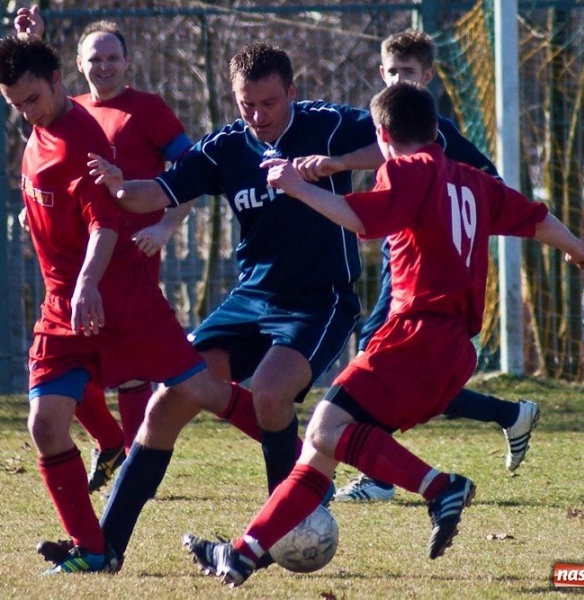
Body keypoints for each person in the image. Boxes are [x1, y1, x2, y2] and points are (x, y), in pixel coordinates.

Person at [182, 81, 584, 586]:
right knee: (320, 450)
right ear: (433, 131)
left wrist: (297, 186)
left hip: (414, 335)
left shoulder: (407, 169)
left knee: (323, 429)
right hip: (454, 350)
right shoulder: (471, 180)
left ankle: (439, 487)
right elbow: (537, 219)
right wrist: (579, 249)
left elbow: (361, 219)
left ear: (382, 135)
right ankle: (242, 554)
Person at [85, 41, 381, 567]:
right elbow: (158, 192)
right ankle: (105, 548)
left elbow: (399, 145)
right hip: (251, 299)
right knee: (166, 402)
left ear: (291, 92)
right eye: (247, 104)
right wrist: (118, 186)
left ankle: (275, 532)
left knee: (269, 393)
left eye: (269, 103)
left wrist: (337, 163)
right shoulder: (225, 147)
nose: (258, 116)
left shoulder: (328, 123)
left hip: (319, 301)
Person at [0, 34, 256, 576]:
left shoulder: (84, 141)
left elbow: (105, 223)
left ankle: (305, 456)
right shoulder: (46, 117)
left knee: (203, 391)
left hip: (124, 301)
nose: (26, 112)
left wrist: (93, 279)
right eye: (16, 103)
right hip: (64, 307)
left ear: (58, 83)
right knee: (45, 424)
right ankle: (92, 550)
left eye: (32, 99)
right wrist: (28, 36)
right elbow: (35, 85)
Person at [334, 29, 540, 502]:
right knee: (412, 375)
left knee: (380, 358)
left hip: (428, 266)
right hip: (401, 256)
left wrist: (333, 164)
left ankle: (379, 478)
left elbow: (482, 182)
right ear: (380, 73)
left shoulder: (430, 128)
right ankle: (509, 415)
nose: (399, 80)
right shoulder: (388, 117)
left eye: (408, 72)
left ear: (428, 76)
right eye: (392, 72)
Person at [14, 6, 195, 495]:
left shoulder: (148, 110)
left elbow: (193, 172)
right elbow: (46, 160)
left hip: (130, 255)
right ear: (77, 65)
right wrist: (35, 209)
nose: (105, 66)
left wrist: (166, 224)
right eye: (95, 58)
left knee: (131, 369)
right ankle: (112, 443)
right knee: (70, 364)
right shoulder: (67, 110)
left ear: (127, 62)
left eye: (113, 57)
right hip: (77, 267)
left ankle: (136, 469)